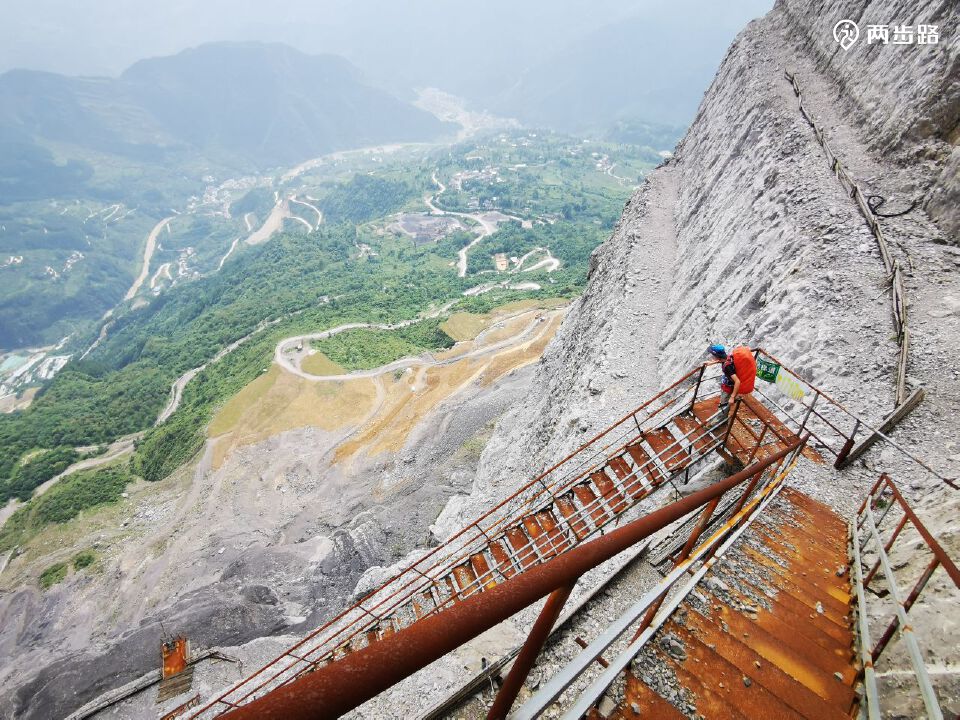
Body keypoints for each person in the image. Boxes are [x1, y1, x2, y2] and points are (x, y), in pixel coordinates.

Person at [706, 344, 757, 415]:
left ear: (717, 356)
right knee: (724, 405)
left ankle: (721, 419)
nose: (712, 356)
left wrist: (732, 397)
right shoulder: (729, 357)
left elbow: (737, 381)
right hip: (728, 385)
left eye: (713, 355)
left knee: (723, 407)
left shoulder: (727, 367)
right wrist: (713, 362)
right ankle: (723, 415)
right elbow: (723, 360)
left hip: (728, 388)